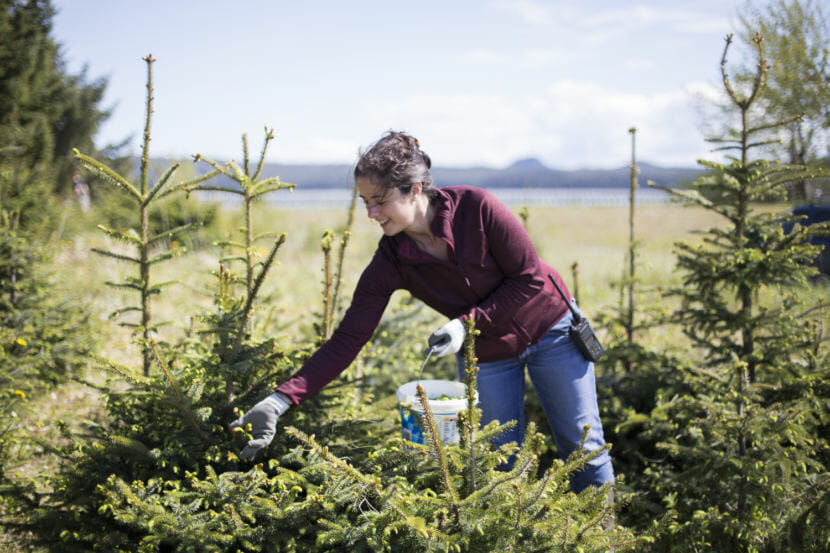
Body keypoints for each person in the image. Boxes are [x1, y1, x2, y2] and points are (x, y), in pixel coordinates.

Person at [230, 131, 614, 492]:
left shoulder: (478, 207)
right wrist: (280, 400)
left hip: (552, 329)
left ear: (415, 190)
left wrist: (466, 325)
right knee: (499, 463)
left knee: (584, 446)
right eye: (365, 202)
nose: (371, 213)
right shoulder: (391, 261)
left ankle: (605, 539)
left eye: (379, 200)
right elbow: (348, 340)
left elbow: (529, 278)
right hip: (489, 355)